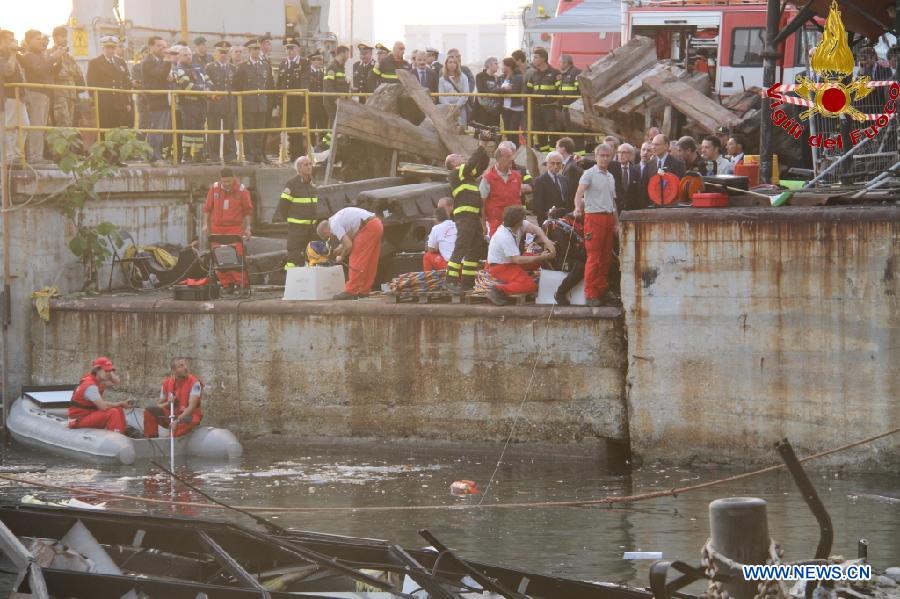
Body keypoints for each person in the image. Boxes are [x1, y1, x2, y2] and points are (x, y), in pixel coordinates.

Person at [444, 135, 492, 292]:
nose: (461, 156)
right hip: (464, 218)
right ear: (453, 164)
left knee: (474, 249)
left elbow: (482, 165)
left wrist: (486, 149)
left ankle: (467, 282)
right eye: (457, 156)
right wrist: (481, 145)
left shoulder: (468, 176)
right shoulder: (456, 173)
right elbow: (471, 162)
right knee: (462, 246)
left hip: (473, 218)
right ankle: (450, 281)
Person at [574, 143, 618, 307]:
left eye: (608, 156)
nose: (605, 158)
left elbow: (613, 202)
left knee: (606, 257)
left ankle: (602, 290)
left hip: (608, 218)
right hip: (594, 218)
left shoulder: (610, 176)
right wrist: (578, 207)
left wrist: (616, 223)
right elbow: (579, 194)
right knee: (594, 257)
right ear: (596, 156)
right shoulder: (589, 174)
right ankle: (590, 293)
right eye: (602, 155)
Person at [484, 205, 555, 306]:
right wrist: (542, 257)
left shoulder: (517, 226)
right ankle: (498, 289)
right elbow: (518, 260)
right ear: (517, 222)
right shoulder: (504, 236)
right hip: (500, 267)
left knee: (537, 260)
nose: (524, 220)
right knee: (530, 286)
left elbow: (537, 230)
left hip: (510, 262)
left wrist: (547, 241)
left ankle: (519, 281)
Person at [203, 167, 253, 293]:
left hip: (234, 228)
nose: (226, 185)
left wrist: (248, 227)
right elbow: (207, 209)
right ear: (220, 180)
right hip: (217, 228)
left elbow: (248, 211)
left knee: (236, 256)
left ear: (234, 179)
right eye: (224, 182)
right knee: (219, 256)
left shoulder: (242, 190)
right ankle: (226, 285)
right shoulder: (214, 188)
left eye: (229, 182)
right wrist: (205, 225)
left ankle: (242, 284)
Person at [316, 207, 384, 300]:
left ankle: (351, 290)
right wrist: (341, 247)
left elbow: (348, 246)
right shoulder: (337, 218)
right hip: (376, 224)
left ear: (325, 231)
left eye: (327, 237)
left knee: (356, 258)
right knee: (370, 262)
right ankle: (364, 291)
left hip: (366, 228)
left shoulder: (334, 225)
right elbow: (351, 233)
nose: (331, 237)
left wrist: (341, 257)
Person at [20, 29, 62, 163]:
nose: (41, 41)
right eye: (37, 39)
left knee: (41, 126)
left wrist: (59, 59)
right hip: (36, 93)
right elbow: (39, 69)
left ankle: (38, 155)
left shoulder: (41, 56)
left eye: (41, 38)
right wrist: (53, 57)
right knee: (36, 125)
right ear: (29, 41)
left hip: (45, 93)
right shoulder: (28, 56)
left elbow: (51, 71)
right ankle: (34, 156)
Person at [68, 357, 134, 434]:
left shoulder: (98, 380)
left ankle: (122, 433)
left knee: (118, 409)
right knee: (113, 412)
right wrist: (121, 403)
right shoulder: (90, 386)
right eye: (106, 370)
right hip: (78, 420)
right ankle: (116, 437)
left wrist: (110, 371)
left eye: (109, 370)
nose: (108, 373)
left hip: (88, 414)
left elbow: (116, 382)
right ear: (97, 370)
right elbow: (103, 407)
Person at [275, 156, 318, 270]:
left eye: (310, 164)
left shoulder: (312, 183)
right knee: (294, 255)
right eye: (306, 165)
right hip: (297, 227)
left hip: (311, 227)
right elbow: (283, 205)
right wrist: (291, 220)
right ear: (299, 169)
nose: (309, 167)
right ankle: (288, 280)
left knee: (312, 254)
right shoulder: (292, 184)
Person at [233, 39, 273, 163]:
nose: (256, 51)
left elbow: (269, 85)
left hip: (261, 104)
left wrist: (270, 103)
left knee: (260, 130)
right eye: (254, 49)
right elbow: (236, 85)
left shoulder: (265, 66)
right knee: (249, 131)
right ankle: (249, 155)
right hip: (248, 104)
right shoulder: (243, 67)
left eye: (257, 49)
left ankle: (258, 154)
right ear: (249, 51)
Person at [143, 357, 203, 439]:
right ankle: (152, 440)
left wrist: (177, 420)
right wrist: (168, 402)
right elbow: (159, 405)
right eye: (181, 366)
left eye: (185, 365)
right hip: (172, 415)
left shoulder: (195, 383)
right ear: (174, 371)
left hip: (188, 416)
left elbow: (191, 407)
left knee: (181, 423)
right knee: (149, 411)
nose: (185, 368)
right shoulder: (166, 383)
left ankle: (172, 437)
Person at [86, 35, 134, 133]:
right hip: (105, 104)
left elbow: (125, 83)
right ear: (103, 48)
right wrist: (96, 102)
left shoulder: (120, 62)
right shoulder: (95, 63)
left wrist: (128, 102)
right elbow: (91, 84)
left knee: (121, 132)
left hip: (121, 104)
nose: (111, 50)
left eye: (113, 48)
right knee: (106, 131)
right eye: (108, 48)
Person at [172, 46, 210, 162]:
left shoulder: (198, 68)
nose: (188, 57)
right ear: (179, 56)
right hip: (188, 103)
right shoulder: (178, 70)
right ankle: (186, 154)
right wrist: (204, 89)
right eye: (185, 55)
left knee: (199, 128)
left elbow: (209, 81)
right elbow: (187, 86)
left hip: (201, 103)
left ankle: (198, 154)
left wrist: (207, 88)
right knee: (189, 128)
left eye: (189, 54)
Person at [543, 209, 586, 306]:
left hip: (571, 256)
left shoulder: (573, 226)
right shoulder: (559, 228)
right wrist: (586, 256)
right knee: (581, 266)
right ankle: (560, 293)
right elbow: (568, 251)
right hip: (560, 260)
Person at [480, 142, 523, 237]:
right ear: (499, 158)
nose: (511, 159)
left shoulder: (517, 176)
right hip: (496, 224)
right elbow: (481, 204)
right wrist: (483, 225)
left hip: (516, 224)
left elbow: (518, 199)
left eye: (511, 156)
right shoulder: (487, 178)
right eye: (508, 156)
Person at [277, 38, 309, 162]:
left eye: (292, 48)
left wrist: (301, 94)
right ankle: (291, 154)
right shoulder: (283, 63)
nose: (289, 51)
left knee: (296, 127)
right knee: (288, 128)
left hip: (297, 102)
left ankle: (298, 154)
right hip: (285, 102)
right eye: (287, 48)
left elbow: (305, 81)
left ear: (297, 49)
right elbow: (279, 83)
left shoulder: (304, 63)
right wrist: (278, 100)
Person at [205, 41, 237, 163]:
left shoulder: (233, 68)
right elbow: (206, 85)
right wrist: (212, 97)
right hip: (215, 103)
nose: (223, 55)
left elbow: (236, 86)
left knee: (230, 130)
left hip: (229, 104)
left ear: (229, 54)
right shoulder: (210, 67)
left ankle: (230, 156)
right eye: (221, 52)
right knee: (214, 131)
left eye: (226, 52)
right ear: (216, 53)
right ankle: (213, 156)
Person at [142, 36, 173, 161]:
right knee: (156, 129)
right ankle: (153, 155)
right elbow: (159, 74)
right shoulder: (148, 61)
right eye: (159, 46)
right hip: (155, 99)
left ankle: (157, 154)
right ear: (151, 47)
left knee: (161, 129)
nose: (163, 49)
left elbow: (162, 75)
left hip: (163, 99)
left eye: (164, 46)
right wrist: (167, 61)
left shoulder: (159, 61)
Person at [0, 31, 28, 161]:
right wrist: (12, 53)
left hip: (19, 96)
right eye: (10, 40)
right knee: (10, 126)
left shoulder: (14, 56)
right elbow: (8, 71)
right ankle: (9, 155)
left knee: (25, 125)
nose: (13, 42)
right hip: (7, 97)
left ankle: (17, 154)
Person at [50, 26, 85, 129]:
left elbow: (78, 73)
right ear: (55, 38)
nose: (65, 39)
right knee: (62, 125)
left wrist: (70, 72)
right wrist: (70, 72)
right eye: (63, 36)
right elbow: (59, 73)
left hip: (71, 94)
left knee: (70, 125)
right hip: (59, 95)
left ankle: (69, 146)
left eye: (66, 36)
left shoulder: (69, 56)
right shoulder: (51, 54)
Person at [525, 47, 559, 152]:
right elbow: (528, 90)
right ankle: (544, 153)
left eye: (535, 57)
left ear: (543, 59)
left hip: (550, 108)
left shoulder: (554, 73)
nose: (533, 60)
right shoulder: (534, 74)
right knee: (539, 131)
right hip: (536, 108)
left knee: (553, 131)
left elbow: (559, 91)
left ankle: (554, 153)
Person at [532, 151, 569, 225]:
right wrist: (548, 215)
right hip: (548, 222)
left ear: (562, 164)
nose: (555, 166)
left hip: (564, 220)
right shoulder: (540, 181)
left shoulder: (564, 179)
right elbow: (537, 205)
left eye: (558, 163)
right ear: (547, 164)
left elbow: (567, 200)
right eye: (552, 163)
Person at [557, 54, 583, 153]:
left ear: (565, 63)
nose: (559, 64)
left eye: (560, 62)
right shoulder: (563, 74)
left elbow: (579, 90)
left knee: (576, 132)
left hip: (574, 108)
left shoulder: (576, 73)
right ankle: (572, 153)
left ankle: (580, 154)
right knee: (569, 132)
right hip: (565, 108)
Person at [423, 197, 457, 271]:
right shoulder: (457, 224)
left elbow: (430, 249)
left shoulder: (437, 228)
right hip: (464, 264)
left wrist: (437, 247)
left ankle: (430, 280)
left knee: (427, 256)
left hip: (451, 265)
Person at [497, 57, 525, 145]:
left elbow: (515, 90)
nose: (501, 67)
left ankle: (516, 149)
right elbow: (495, 90)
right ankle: (510, 150)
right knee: (508, 132)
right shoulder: (501, 78)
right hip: (505, 108)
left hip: (516, 108)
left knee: (513, 131)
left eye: (503, 65)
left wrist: (502, 89)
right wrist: (505, 89)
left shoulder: (518, 77)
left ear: (508, 67)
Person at [324, 45, 350, 131]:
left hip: (338, 102)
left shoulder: (341, 67)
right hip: (332, 102)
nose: (348, 57)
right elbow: (328, 87)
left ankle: (327, 143)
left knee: (336, 128)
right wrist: (336, 99)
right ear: (343, 53)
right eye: (347, 54)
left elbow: (340, 85)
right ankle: (324, 144)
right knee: (334, 127)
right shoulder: (332, 67)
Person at [438, 55, 470, 128]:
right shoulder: (442, 79)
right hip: (447, 109)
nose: (452, 64)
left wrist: (457, 106)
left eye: (454, 62)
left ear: (457, 64)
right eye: (450, 62)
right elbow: (440, 96)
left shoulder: (463, 77)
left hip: (460, 107)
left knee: (461, 129)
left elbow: (466, 94)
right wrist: (449, 107)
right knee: (448, 130)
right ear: (446, 64)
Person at [474, 57, 501, 128]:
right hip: (482, 109)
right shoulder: (480, 76)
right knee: (482, 132)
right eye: (496, 64)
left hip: (494, 110)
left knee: (494, 132)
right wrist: (496, 90)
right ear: (489, 65)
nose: (498, 66)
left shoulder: (497, 78)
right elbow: (481, 89)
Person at [555, 137, 583, 207]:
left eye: (557, 148)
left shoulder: (571, 167)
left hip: (571, 206)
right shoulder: (569, 164)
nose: (556, 150)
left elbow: (571, 191)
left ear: (563, 149)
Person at [308, 52, 328, 146]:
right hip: (310, 106)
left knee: (323, 129)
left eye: (321, 59)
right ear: (312, 61)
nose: (320, 62)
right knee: (310, 129)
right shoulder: (307, 74)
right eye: (317, 59)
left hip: (322, 106)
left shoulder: (323, 74)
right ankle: (310, 150)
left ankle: (321, 150)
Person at [616, 143, 641, 212]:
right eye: (619, 152)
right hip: (615, 210)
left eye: (624, 152)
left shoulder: (635, 170)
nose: (621, 155)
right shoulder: (612, 169)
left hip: (631, 210)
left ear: (630, 155)